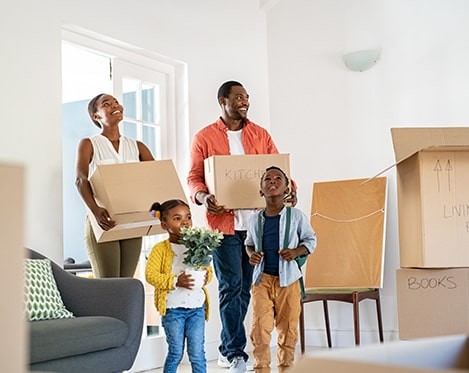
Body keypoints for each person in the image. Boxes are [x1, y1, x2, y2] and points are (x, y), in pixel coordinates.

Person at [187, 81, 296, 372]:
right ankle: (234, 352)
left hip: (258, 225)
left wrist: (291, 186)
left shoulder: (260, 134)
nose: (244, 101)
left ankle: (228, 347)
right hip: (224, 225)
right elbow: (194, 177)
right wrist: (203, 196)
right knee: (230, 286)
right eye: (238, 97)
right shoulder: (205, 137)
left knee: (247, 288)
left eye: (246, 97)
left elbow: (279, 169)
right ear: (223, 101)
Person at [75, 93, 154, 278]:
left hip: (132, 222)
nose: (115, 105)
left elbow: (155, 180)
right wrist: (95, 210)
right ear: (96, 116)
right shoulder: (89, 144)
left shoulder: (138, 147)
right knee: (108, 285)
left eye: (116, 102)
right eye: (107, 104)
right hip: (103, 220)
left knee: (126, 283)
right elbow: (80, 179)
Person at [245, 166, 317, 371]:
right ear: (261, 190)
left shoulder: (296, 216)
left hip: (289, 281)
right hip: (262, 280)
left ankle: (286, 367)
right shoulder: (255, 219)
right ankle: (262, 367)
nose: (272, 181)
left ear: (287, 189)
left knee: (288, 328)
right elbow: (248, 243)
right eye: (267, 179)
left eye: (278, 178)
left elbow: (311, 240)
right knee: (260, 327)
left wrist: (296, 252)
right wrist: (252, 255)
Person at [145, 199, 213, 373]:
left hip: (196, 309)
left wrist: (206, 276)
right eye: (177, 218)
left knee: (197, 353)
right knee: (175, 352)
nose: (185, 222)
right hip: (173, 310)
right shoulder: (160, 249)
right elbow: (151, 275)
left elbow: (207, 270)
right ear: (164, 225)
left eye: (188, 217)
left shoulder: (197, 244)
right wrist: (176, 281)